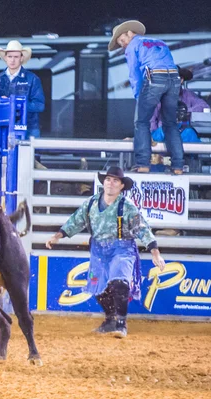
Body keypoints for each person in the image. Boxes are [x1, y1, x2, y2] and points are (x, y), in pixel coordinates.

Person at [46, 167, 166, 338]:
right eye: (108, 179)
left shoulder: (126, 206)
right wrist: (58, 236)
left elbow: (142, 229)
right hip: (98, 251)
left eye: (115, 180)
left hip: (122, 249)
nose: (111, 183)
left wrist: (155, 252)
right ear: (103, 182)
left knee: (119, 283)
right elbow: (75, 221)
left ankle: (121, 323)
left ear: (121, 186)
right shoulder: (91, 203)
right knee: (97, 287)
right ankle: (110, 319)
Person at [108, 20, 184, 175]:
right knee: (170, 123)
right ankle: (178, 166)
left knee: (141, 122)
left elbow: (134, 74)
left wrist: (138, 97)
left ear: (129, 32)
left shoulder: (132, 46)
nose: (123, 45)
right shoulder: (160, 42)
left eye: (122, 40)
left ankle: (143, 163)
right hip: (174, 78)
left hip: (154, 78)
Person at [0, 40, 45, 138]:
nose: (12, 60)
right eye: (10, 56)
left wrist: (15, 104)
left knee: (28, 153)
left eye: (16, 57)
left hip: (29, 128)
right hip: (5, 127)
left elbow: (39, 105)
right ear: (5, 58)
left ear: (21, 58)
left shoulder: (32, 78)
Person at [150, 66, 206, 144]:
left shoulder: (188, 95)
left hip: (184, 133)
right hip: (163, 133)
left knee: (189, 133)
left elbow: (203, 106)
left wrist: (184, 112)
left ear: (181, 80)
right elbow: (151, 121)